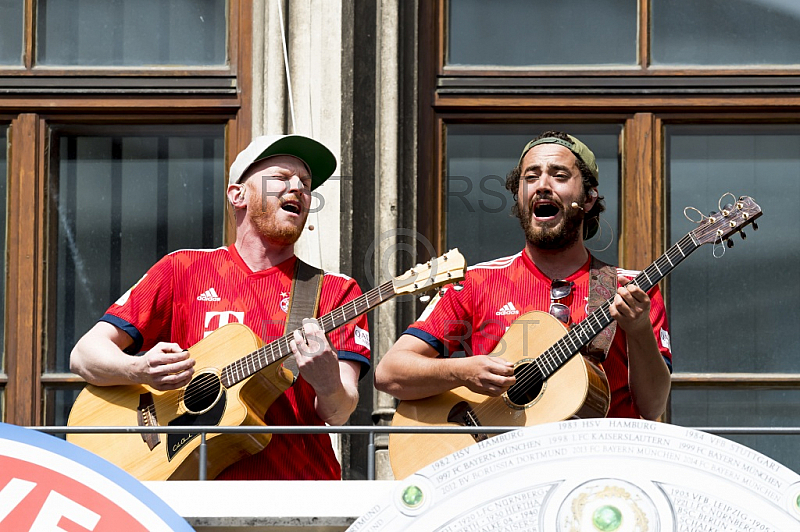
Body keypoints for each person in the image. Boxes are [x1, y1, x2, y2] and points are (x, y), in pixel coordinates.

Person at [70, 134, 371, 480]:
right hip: (190, 496)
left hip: (299, 491)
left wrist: (328, 380)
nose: (298, 188)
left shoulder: (336, 290)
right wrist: (138, 370)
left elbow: (339, 412)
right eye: (281, 178)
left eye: (304, 183)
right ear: (237, 194)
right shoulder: (182, 269)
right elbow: (84, 355)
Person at [374, 131, 671, 421]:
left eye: (559, 175)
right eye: (530, 177)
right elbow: (390, 372)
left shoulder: (631, 291)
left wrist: (639, 329)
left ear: (589, 198)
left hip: (598, 462)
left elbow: (652, 406)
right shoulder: (474, 283)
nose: (542, 185)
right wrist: (462, 371)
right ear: (519, 198)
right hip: (496, 462)